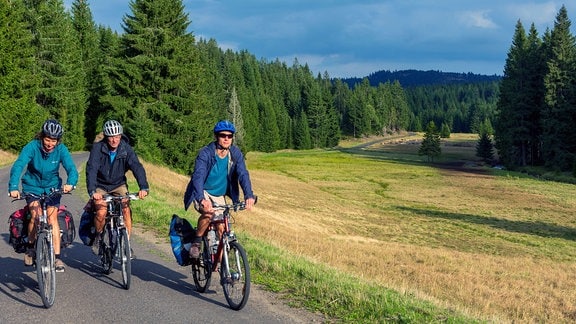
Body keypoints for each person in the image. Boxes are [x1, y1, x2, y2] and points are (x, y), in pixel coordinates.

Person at [8, 119, 78, 272]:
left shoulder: (61, 149)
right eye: (47, 139)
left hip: (52, 187)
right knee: (35, 215)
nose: (50, 143)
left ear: (58, 140)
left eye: (53, 140)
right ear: (41, 137)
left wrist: (71, 183)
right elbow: (19, 165)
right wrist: (14, 186)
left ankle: (57, 257)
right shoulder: (32, 147)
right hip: (32, 186)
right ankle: (31, 249)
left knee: (52, 218)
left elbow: (71, 168)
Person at [184, 120, 256, 259]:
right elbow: (198, 177)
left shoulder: (235, 154)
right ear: (217, 136)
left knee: (223, 228)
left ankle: (221, 265)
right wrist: (201, 199)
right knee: (208, 213)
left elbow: (243, 174)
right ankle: (197, 242)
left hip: (219, 195)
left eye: (230, 136)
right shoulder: (206, 153)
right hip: (203, 191)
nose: (226, 139)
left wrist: (249, 195)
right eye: (223, 135)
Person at [86, 120, 149, 256]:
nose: (114, 140)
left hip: (118, 184)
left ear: (121, 136)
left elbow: (137, 167)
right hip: (100, 185)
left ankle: (126, 243)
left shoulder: (126, 149)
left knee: (125, 208)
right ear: (106, 137)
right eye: (111, 137)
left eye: (117, 136)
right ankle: (98, 236)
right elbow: (92, 169)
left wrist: (143, 187)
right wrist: (92, 191)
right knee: (101, 211)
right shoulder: (98, 148)